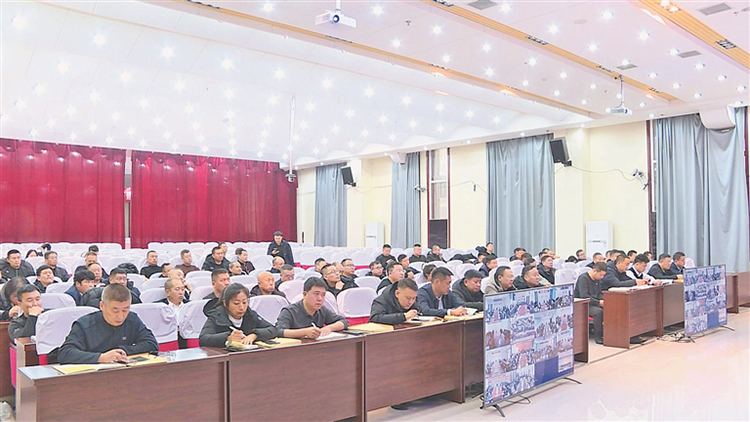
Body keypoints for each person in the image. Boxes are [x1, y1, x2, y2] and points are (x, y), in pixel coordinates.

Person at [58, 284, 159, 364]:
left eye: (125, 309)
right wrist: (100, 357)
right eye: (115, 310)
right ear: (102, 306)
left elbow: (152, 344)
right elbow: (65, 353)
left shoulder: (132, 319)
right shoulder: (84, 324)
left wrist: (121, 351)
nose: (121, 316)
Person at [199, 283, 278, 347]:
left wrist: (255, 335)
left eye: (244, 302)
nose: (241, 307)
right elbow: (203, 339)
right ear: (225, 303)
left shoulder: (250, 314)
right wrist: (228, 337)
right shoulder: (217, 316)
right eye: (236, 303)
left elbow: (273, 329)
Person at [275, 277, 348, 339]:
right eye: (316, 294)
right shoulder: (289, 311)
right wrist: (305, 332)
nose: (320, 299)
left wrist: (329, 328)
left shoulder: (322, 310)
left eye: (323, 295)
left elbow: (344, 322)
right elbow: (279, 331)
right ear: (304, 294)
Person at [574, 262, 607, 344]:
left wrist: (605, 300)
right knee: (598, 312)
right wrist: (598, 302)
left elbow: (598, 293)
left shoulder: (597, 280)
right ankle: (598, 336)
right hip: (583, 304)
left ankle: (608, 333)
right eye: (600, 275)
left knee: (610, 306)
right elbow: (584, 296)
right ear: (594, 271)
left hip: (593, 302)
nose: (601, 277)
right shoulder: (583, 278)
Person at [158, 278, 188, 348]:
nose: (181, 292)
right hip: (167, 338)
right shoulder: (160, 307)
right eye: (177, 289)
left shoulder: (190, 305)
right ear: (168, 292)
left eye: (183, 289)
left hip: (186, 338)